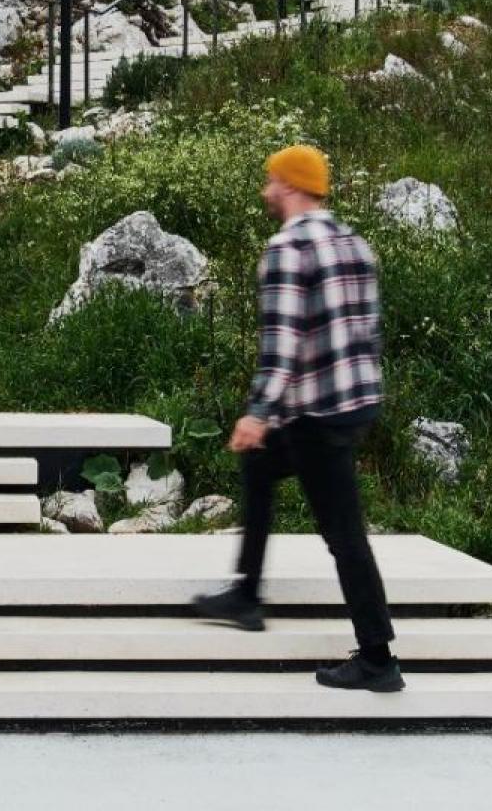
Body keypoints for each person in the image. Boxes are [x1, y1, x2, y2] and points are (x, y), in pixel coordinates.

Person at [192, 144, 402, 693]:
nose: (266, 191)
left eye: (271, 181)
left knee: (344, 535)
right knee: (260, 468)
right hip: (355, 402)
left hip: (317, 414)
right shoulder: (354, 243)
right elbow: (370, 331)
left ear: (290, 185)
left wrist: (257, 414)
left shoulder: (287, 251)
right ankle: (247, 593)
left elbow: (281, 349)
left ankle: (378, 660)